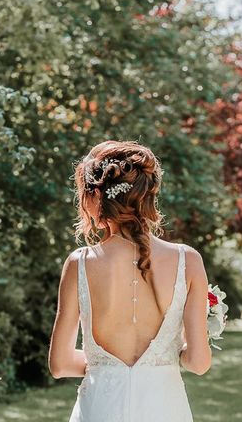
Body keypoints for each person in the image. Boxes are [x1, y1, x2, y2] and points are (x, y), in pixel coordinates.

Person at [48, 140, 211, 421]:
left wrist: (105, 367)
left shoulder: (80, 263)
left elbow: (60, 364)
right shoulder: (188, 261)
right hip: (165, 409)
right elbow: (198, 362)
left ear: (96, 196)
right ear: (147, 196)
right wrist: (174, 355)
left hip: (100, 409)